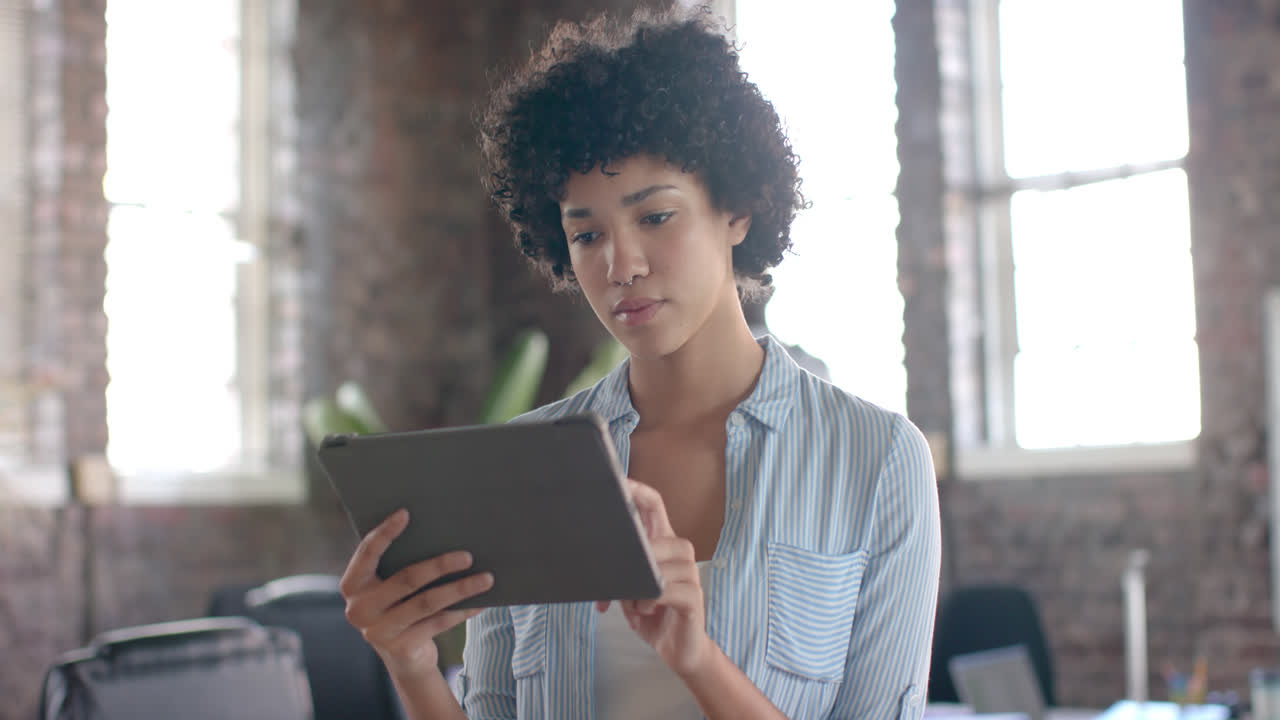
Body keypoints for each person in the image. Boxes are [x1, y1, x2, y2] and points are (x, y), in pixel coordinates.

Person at [338, 6, 941, 720]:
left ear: (737, 210)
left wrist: (697, 660)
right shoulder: (526, 464)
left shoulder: (876, 462)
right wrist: (413, 669)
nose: (620, 265)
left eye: (655, 217)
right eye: (586, 234)